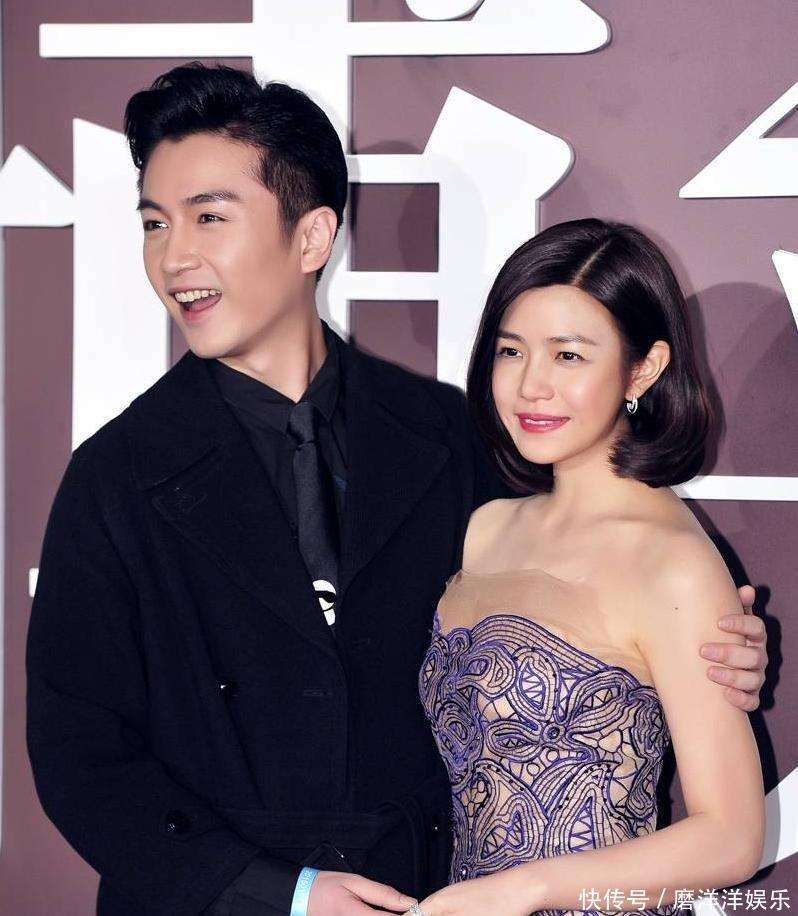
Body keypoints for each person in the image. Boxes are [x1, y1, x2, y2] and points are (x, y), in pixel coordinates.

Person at [24, 64, 767, 916]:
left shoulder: (451, 437)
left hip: (429, 895)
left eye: (209, 217)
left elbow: (587, 588)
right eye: (155, 222)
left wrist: (708, 649)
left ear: (312, 237)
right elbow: (80, 755)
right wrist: (283, 895)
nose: (173, 257)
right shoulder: (115, 475)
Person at [413, 220, 766, 916]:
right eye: (511, 351)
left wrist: (524, 890)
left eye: (569, 355)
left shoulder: (673, 563)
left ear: (643, 369)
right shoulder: (488, 528)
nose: (531, 385)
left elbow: (731, 838)